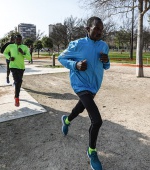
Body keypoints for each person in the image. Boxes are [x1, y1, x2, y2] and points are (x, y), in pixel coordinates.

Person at [58, 16, 110, 170]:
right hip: (80, 85)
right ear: (88, 29)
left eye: (101, 29)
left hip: (94, 86)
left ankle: (67, 120)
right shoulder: (77, 44)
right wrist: (76, 64)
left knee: (80, 108)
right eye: (96, 28)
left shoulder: (104, 46)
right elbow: (61, 58)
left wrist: (106, 61)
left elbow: (106, 66)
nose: (99, 32)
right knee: (97, 120)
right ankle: (91, 151)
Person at [3, 34, 31, 107]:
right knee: (17, 81)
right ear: (15, 40)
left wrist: (23, 53)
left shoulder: (24, 47)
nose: (18, 41)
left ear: (21, 40)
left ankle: (16, 92)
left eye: (20, 39)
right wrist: (9, 58)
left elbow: (29, 58)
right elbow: (5, 53)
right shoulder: (10, 46)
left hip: (21, 67)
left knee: (19, 81)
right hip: (13, 66)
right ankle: (17, 98)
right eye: (17, 39)